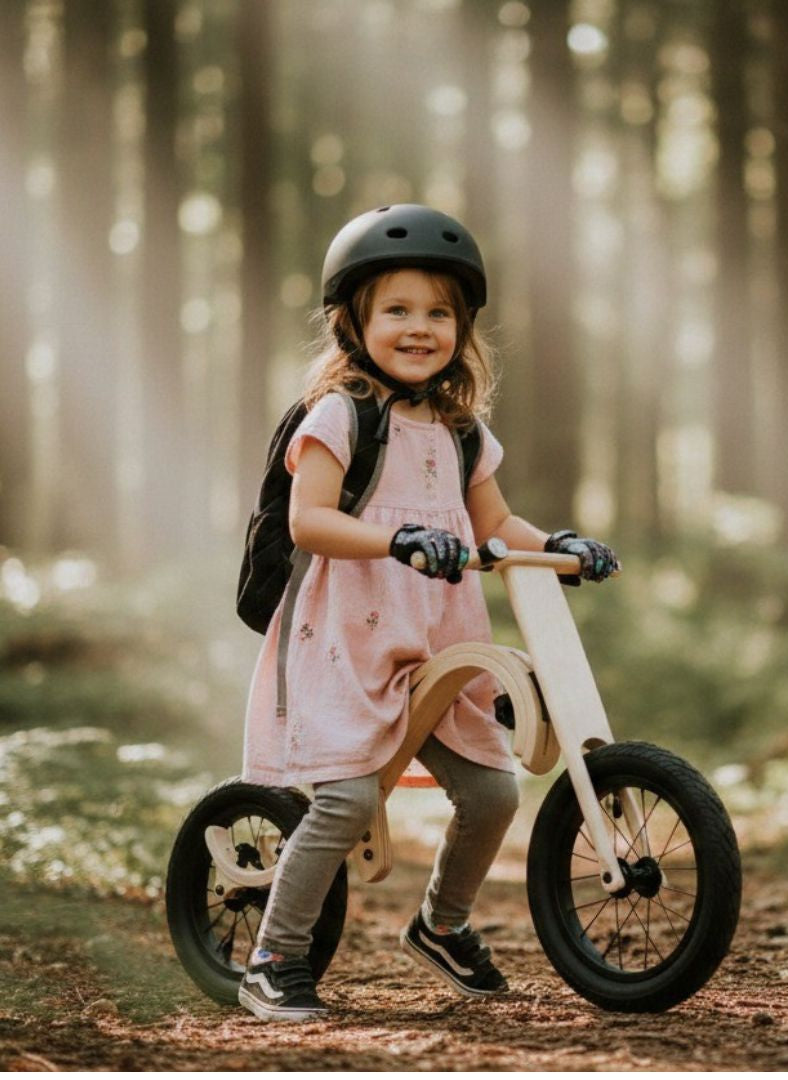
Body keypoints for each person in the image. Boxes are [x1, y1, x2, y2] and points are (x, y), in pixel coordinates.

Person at [238, 204, 620, 1021]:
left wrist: (561, 544)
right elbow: (310, 521)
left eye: (439, 312)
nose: (421, 328)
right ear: (354, 322)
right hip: (346, 632)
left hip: (442, 636)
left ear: (464, 325)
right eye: (398, 311)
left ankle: (441, 925)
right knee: (344, 801)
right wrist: (396, 538)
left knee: (492, 795)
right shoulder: (340, 416)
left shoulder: (461, 430)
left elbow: (497, 529)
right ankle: (273, 958)